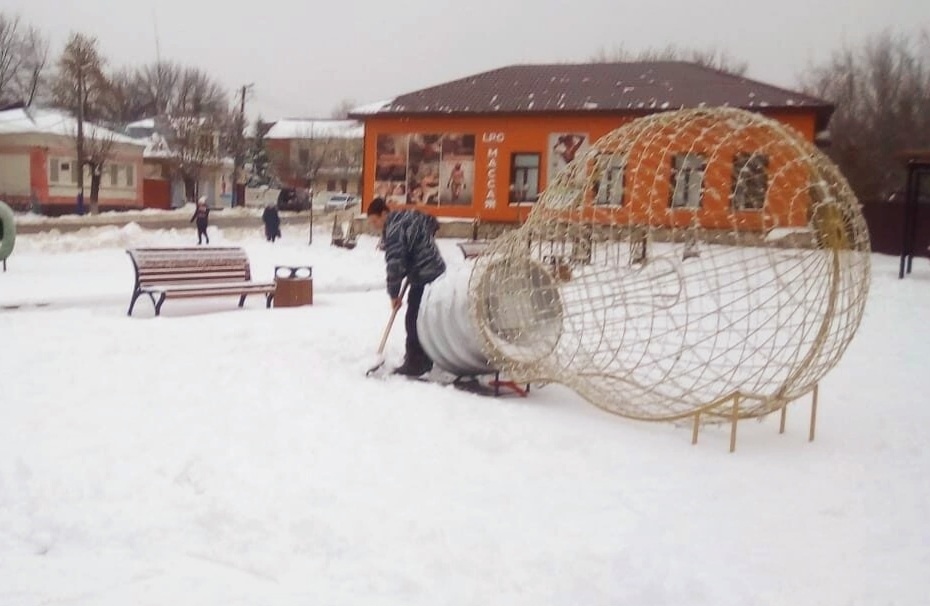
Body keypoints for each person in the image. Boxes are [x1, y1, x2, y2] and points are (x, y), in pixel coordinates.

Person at [366, 196, 446, 376]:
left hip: (424, 273)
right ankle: (426, 358)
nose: (374, 225)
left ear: (384, 213)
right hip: (437, 271)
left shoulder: (394, 230)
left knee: (414, 319)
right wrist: (420, 241)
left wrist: (394, 294)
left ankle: (416, 363)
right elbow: (430, 221)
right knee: (425, 318)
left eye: (375, 221)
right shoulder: (407, 217)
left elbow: (395, 264)